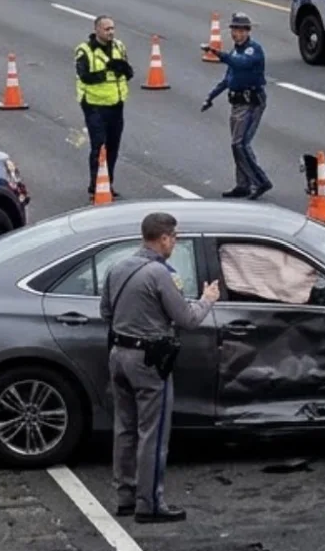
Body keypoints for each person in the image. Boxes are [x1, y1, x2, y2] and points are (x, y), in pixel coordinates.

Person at [100, 212, 221, 524]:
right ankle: (150, 503)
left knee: (124, 429)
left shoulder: (117, 268)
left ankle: (125, 496)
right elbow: (188, 319)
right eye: (174, 238)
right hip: (150, 361)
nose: (175, 243)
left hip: (119, 355)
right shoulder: (159, 274)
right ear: (164, 238)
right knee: (152, 434)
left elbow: (106, 312)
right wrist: (207, 299)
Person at [202, 12, 273, 201]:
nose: (237, 34)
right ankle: (243, 184)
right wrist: (211, 96)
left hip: (251, 102)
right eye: (234, 30)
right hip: (236, 102)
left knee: (240, 143)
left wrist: (217, 52)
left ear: (247, 32)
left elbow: (240, 64)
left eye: (241, 30)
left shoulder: (252, 50)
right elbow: (229, 78)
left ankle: (260, 181)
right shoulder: (236, 50)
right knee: (237, 144)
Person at [75, 15, 133, 199]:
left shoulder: (119, 47)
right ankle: (95, 185)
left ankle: (108, 183)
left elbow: (127, 73)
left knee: (113, 146)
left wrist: (124, 69)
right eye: (107, 29)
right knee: (99, 146)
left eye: (112, 28)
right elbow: (85, 76)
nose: (111, 32)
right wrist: (108, 70)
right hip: (95, 105)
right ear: (97, 30)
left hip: (116, 103)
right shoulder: (84, 51)